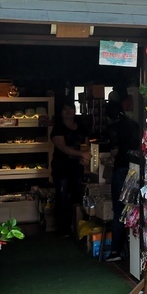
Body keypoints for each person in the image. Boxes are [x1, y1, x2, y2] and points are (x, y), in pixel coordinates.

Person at [102, 101, 141, 262]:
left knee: (119, 209)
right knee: (135, 208)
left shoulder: (113, 128)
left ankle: (116, 250)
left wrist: (110, 158)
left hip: (121, 170)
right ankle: (134, 250)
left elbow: (114, 150)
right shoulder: (134, 124)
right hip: (137, 169)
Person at [51, 102, 90, 238]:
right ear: (61, 112)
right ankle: (63, 228)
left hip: (77, 167)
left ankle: (77, 227)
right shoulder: (58, 128)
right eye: (65, 108)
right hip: (61, 167)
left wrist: (85, 158)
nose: (68, 111)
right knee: (62, 196)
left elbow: (86, 144)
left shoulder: (81, 127)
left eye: (71, 108)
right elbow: (62, 147)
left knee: (77, 196)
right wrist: (81, 154)